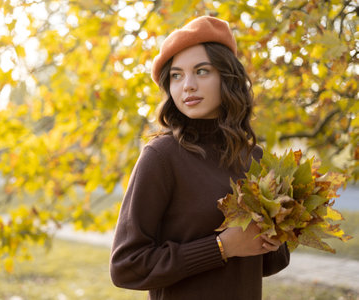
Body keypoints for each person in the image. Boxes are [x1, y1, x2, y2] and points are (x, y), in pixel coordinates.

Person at [110, 16, 290, 299]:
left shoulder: (255, 157)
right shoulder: (161, 157)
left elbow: (269, 263)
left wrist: (277, 234)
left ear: (227, 78)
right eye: (177, 75)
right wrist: (222, 247)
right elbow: (126, 267)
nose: (187, 85)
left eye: (202, 71)